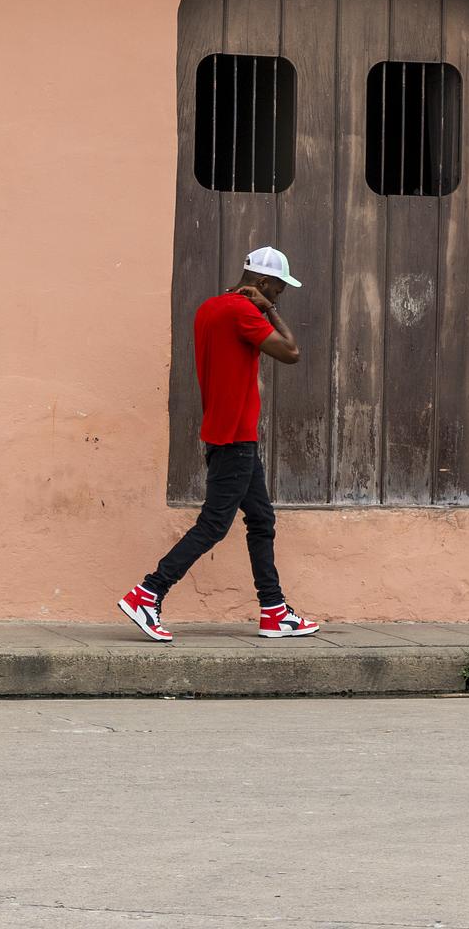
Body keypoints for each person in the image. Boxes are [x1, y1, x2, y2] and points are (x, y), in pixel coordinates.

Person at [118, 246, 319, 643]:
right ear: (262, 283)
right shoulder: (244, 311)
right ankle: (148, 593)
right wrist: (269, 310)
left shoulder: (210, 307)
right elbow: (291, 352)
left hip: (228, 433)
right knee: (213, 524)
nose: (279, 295)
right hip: (235, 438)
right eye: (278, 289)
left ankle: (274, 610)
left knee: (261, 520)